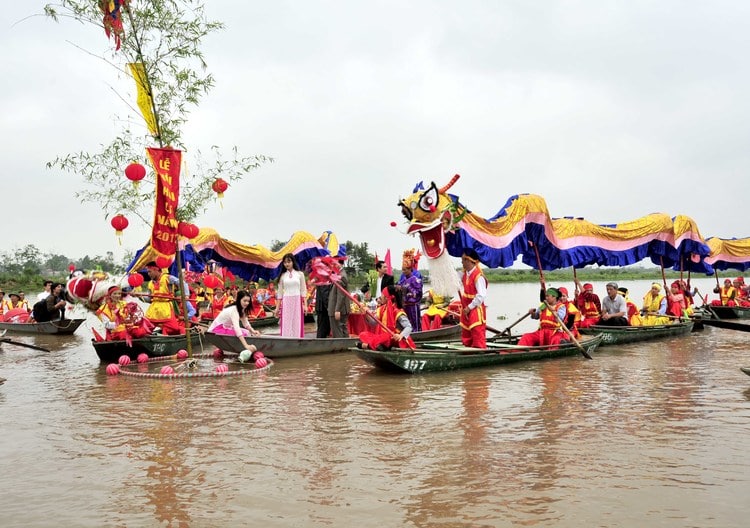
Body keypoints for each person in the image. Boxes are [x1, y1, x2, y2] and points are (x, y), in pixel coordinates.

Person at [357, 285, 415, 350]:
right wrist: (366, 314)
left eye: (382, 294)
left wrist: (400, 336)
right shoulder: (382, 309)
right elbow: (373, 323)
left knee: (386, 337)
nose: (380, 297)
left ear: (387, 297)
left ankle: (368, 346)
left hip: (396, 340)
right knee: (363, 334)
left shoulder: (398, 311)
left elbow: (409, 327)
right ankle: (377, 346)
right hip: (385, 338)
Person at [207, 290, 263, 358]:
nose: (247, 303)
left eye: (248, 301)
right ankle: (244, 350)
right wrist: (246, 346)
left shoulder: (242, 309)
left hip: (225, 327)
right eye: (244, 301)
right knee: (244, 333)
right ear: (239, 300)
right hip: (216, 330)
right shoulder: (234, 310)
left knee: (247, 332)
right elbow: (237, 329)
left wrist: (253, 331)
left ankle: (244, 348)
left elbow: (245, 323)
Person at [143, 261, 184, 335]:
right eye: (148, 272)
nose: (148, 274)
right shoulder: (150, 284)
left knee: (175, 329)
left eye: (150, 272)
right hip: (153, 310)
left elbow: (183, 284)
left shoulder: (168, 278)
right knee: (144, 330)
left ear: (156, 270)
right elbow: (149, 299)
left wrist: (180, 294)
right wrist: (140, 297)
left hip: (166, 308)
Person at [458, 249, 487, 348]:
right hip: (465, 306)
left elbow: (481, 296)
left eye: (463, 260)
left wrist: (469, 307)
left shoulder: (478, 276)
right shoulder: (464, 273)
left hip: (475, 307)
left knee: (476, 330)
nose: (461, 262)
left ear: (469, 260)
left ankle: (479, 350)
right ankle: (467, 350)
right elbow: (454, 280)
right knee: (466, 331)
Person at [273, 253, 307, 337]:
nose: (287, 264)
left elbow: (303, 291)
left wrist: (305, 305)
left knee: (297, 321)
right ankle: (286, 339)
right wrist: (277, 308)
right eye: (285, 262)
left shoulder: (300, 274)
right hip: (286, 301)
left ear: (293, 262)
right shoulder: (282, 276)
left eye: (289, 261)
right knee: (286, 322)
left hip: (297, 301)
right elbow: (280, 293)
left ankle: (297, 340)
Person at [398, 249, 423, 332]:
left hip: (413, 305)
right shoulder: (403, 280)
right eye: (402, 269)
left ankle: (417, 334)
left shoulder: (415, 279)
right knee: (407, 323)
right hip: (405, 305)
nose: (403, 272)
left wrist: (410, 291)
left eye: (405, 270)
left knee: (415, 322)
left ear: (410, 269)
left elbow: (419, 292)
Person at [327, 259, 350, 338]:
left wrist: (337, 310)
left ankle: (341, 347)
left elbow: (341, 294)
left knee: (338, 332)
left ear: (339, 264)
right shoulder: (337, 274)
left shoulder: (341, 276)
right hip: (338, 308)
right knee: (342, 329)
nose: (332, 266)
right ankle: (345, 347)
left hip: (338, 309)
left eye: (334, 264)